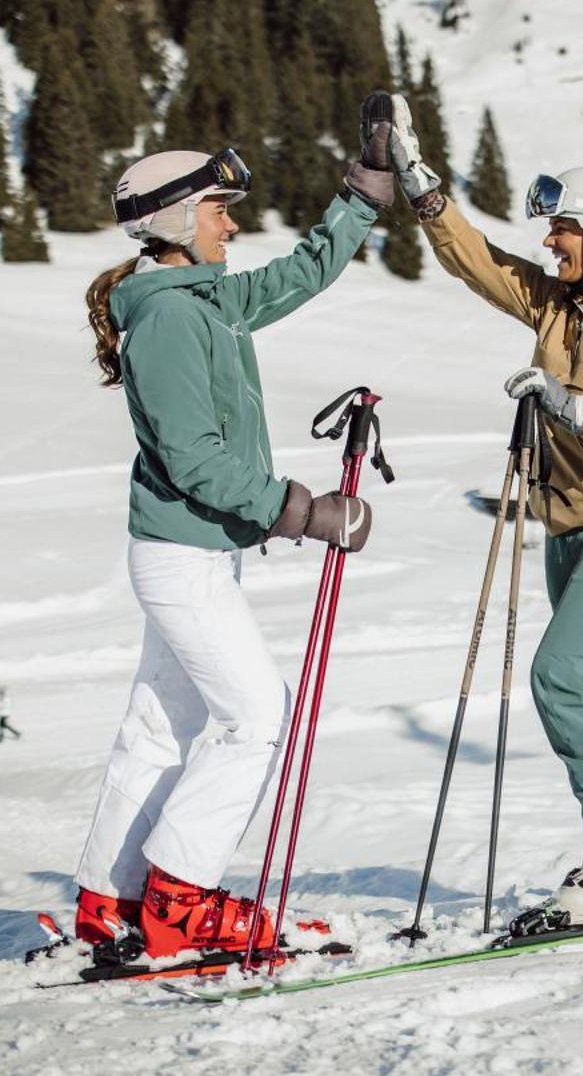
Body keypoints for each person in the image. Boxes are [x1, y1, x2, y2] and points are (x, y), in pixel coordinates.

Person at [359, 92, 583, 925]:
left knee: (561, 675)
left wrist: (569, 404)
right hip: (574, 539)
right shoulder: (560, 305)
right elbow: (477, 261)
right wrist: (422, 188)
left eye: (561, 229)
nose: (548, 240)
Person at [72, 145, 392, 958]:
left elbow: (295, 277)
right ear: (176, 218)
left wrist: (360, 194)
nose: (232, 222)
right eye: (219, 208)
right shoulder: (175, 317)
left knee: (161, 725)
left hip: (189, 552)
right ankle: (179, 900)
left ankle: (110, 900)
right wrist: (305, 511)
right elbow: (196, 461)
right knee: (255, 716)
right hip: (185, 558)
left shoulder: (202, 299)